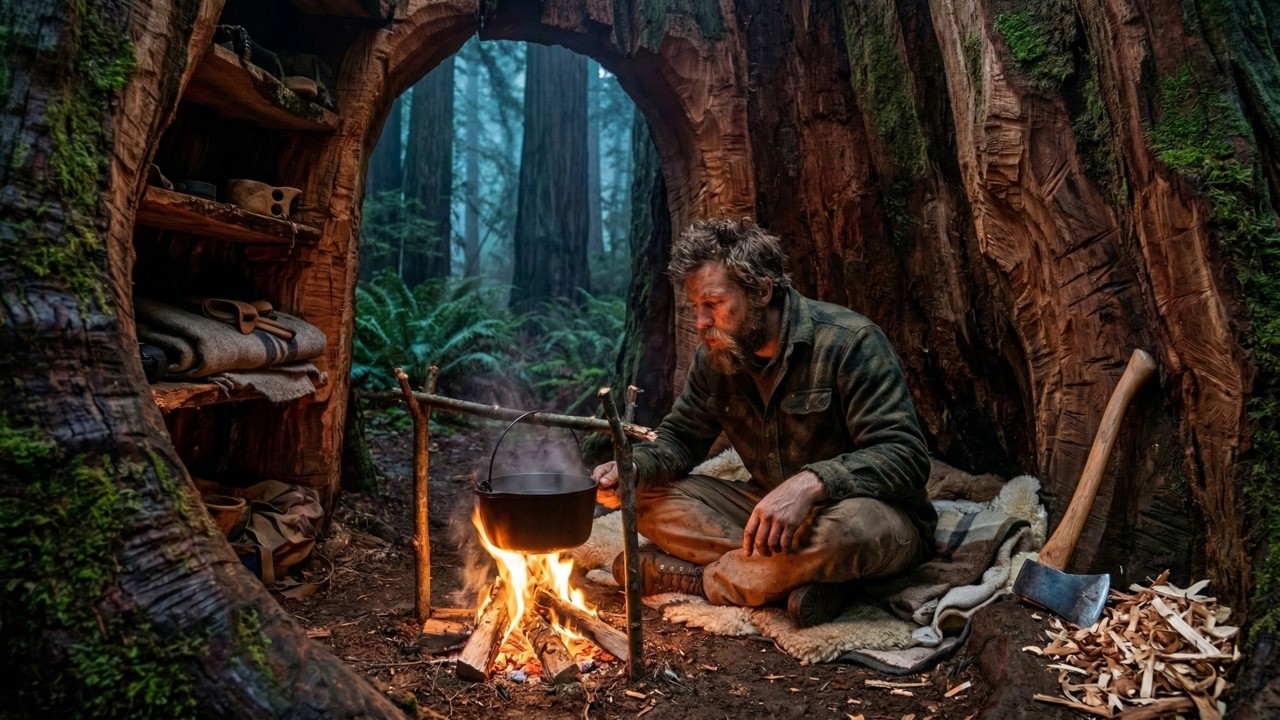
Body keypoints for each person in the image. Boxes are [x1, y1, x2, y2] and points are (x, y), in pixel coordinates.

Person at [593, 217, 936, 628]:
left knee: (850, 533)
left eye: (714, 304)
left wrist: (811, 483)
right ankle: (802, 580)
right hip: (764, 515)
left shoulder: (850, 341)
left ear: (761, 291)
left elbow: (906, 455)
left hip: (864, 515)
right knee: (644, 498)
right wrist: (635, 469)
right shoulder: (716, 355)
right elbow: (681, 438)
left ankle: (707, 581)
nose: (701, 322)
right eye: (696, 307)